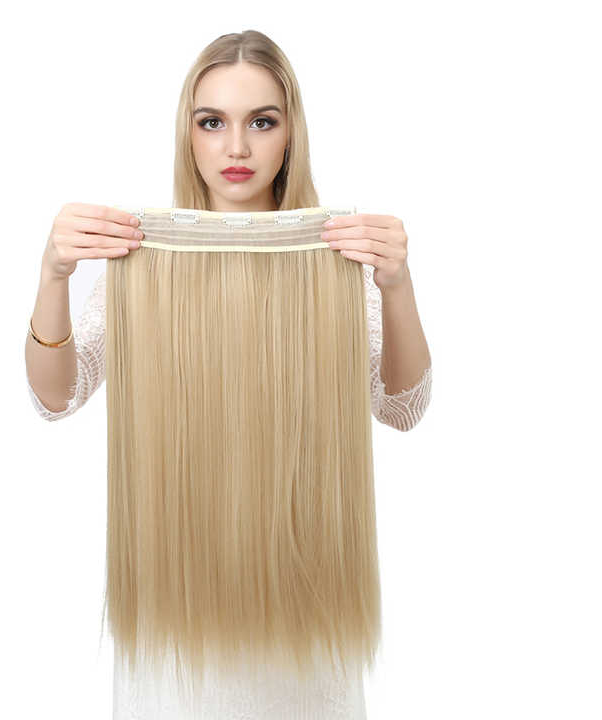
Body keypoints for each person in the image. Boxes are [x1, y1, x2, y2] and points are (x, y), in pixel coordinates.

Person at [25, 29, 432, 720]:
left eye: (261, 122)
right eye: (212, 122)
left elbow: (402, 408)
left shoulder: (337, 260)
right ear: (187, 135)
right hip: (176, 637)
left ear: (291, 134)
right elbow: (56, 396)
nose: (236, 148)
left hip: (305, 627)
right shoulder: (141, 261)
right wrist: (53, 276)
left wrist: (396, 285)